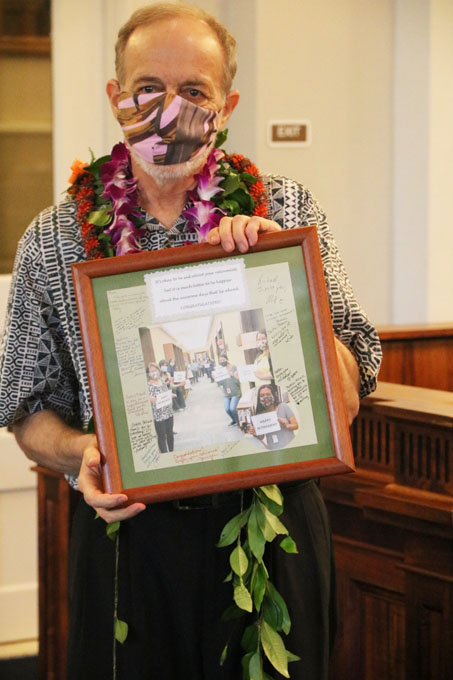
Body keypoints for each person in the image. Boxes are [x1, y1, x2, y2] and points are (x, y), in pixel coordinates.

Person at [0, 4, 382, 679]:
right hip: (126, 535)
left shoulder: (286, 211)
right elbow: (28, 411)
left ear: (226, 104)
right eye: (147, 87)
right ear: (116, 97)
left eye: (194, 91)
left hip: (273, 527)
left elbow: (347, 396)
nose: (167, 110)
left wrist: (287, 283)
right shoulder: (53, 238)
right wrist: (84, 452)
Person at [250, 384, 298, 450]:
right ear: (259, 398)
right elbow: (261, 437)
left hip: (290, 446)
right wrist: (256, 433)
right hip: (273, 450)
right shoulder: (259, 415)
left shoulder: (283, 407)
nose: (265, 397)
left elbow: (296, 425)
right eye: (262, 395)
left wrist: (287, 425)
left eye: (268, 394)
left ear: (273, 395)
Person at [147, 362, 174, 453]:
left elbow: (166, 392)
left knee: (170, 434)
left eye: (155, 370)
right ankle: (165, 456)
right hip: (158, 415)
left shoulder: (162, 380)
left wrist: (171, 394)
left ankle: (171, 452)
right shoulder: (148, 386)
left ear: (158, 370)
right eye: (151, 371)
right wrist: (150, 399)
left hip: (168, 412)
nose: (154, 372)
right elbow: (145, 398)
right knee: (162, 436)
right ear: (148, 373)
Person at [217, 352, 241, 426]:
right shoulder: (220, 370)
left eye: (223, 360)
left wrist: (232, 375)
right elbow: (220, 384)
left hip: (235, 392)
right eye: (220, 361)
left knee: (233, 408)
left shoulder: (233, 367)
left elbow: (238, 380)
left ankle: (239, 422)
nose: (222, 362)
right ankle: (234, 420)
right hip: (226, 393)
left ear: (227, 359)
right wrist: (216, 378)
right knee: (227, 409)